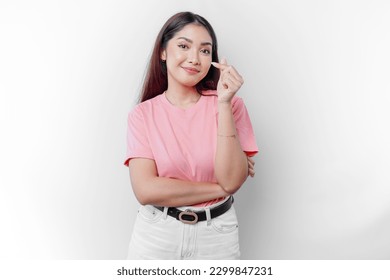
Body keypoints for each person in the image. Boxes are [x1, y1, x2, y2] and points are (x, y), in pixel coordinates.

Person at [124, 11, 258, 260]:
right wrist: (219, 188)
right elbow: (145, 190)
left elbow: (231, 180)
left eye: (205, 51)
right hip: (157, 235)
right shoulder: (142, 115)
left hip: (217, 235)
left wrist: (224, 103)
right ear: (163, 52)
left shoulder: (231, 106)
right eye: (184, 46)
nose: (195, 58)